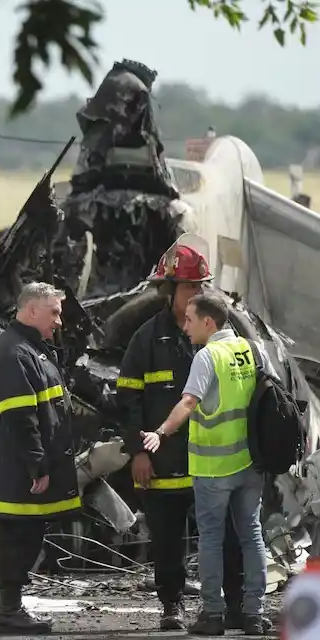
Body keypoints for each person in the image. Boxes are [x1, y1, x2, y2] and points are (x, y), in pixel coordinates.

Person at [115, 235, 251, 631]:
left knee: (227, 539)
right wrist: (138, 452)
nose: (197, 292)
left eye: (201, 286)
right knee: (168, 540)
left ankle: (235, 604)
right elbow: (128, 401)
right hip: (164, 461)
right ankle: (171, 604)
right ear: (170, 290)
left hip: (215, 462)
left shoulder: (220, 337)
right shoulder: (146, 339)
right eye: (190, 286)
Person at [141, 293, 271, 635]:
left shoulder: (207, 356)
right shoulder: (251, 349)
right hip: (251, 463)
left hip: (214, 467)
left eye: (189, 320)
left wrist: (161, 432)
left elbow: (188, 402)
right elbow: (272, 395)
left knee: (211, 539)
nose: (184, 327)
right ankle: (254, 615)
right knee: (252, 535)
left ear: (208, 323)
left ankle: (213, 615)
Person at [0, 281, 81, 635]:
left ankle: (11, 609)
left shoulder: (26, 347)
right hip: (18, 471)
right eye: (54, 313)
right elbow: (19, 417)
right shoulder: (15, 353)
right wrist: (37, 464)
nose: (59, 321)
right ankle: (9, 612)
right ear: (31, 311)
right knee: (16, 537)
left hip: (19, 468)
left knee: (24, 536)